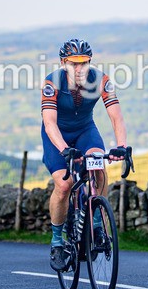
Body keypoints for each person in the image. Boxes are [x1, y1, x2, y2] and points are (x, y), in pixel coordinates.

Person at [41, 38, 129, 271]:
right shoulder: (52, 82)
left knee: (98, 166)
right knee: (64, 184)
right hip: (57, 135)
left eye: (84, 63)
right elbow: (49, 123)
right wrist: (63, 149)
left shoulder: (101, 80)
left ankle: (98, 223)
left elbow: (116, 116)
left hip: (85, 131)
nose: (79, 69)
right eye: (73, 64)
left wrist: (122, 145)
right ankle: (57, 242)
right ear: (63, 63)